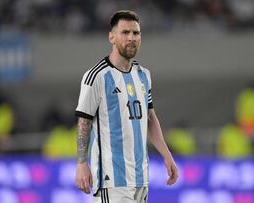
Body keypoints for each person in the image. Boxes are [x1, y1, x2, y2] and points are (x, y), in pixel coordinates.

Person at [74, 10, 178, 203]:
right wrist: (81, 163)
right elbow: (84, 122)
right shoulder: (96, 76)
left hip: (140, 179)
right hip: (112, 181)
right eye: (125, 33)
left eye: (136, 33)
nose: (132, 38)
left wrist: (167, 154)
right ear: (111, 37)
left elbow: (149, 118)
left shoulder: (143, 75)